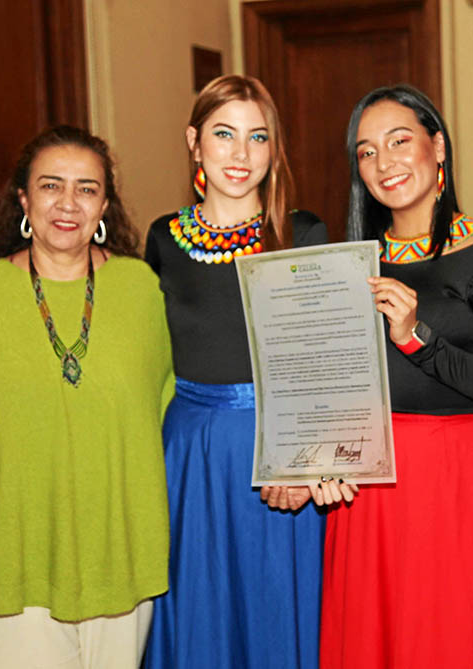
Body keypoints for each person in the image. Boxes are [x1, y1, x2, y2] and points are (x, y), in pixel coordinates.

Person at [0, 125, 173, 668]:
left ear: (105, 205)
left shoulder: (142, 289)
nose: (68, 203)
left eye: (87, 188)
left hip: (121, 552)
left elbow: (177, 410)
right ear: (25, 199)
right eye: (51, 186)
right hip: (8, 555)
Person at [315, 84, 473, 668]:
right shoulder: (349, 262)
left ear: (438, 146)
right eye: (367, 151)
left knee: (452, 638)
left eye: (400, 141)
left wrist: (416, 337)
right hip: (369, 491)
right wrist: (315, 457)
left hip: (457, 482)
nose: (384, 162)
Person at [142, 74, 328, 669]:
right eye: (224, 135)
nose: (241, 154)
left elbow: (330, 362)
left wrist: (308, 461)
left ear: (274, 149)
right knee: (201, 615)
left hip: (284, 457)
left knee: (280, 610)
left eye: (257, 137)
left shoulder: (304, 234)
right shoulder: (162, 239)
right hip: (192, 456)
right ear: (194, 142)